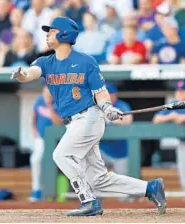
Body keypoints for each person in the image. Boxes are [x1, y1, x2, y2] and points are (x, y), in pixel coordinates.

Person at [10, 16, 166, 216]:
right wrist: (22, 74)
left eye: (52, 31)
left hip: (89, 118)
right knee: (98, 179)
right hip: (74, 123)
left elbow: (100, 91)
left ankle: (89, 201)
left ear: (65, 34)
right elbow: (31, 73)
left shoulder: (85, 61)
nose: (48, 34)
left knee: (60, 154)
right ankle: (151, 188)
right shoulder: (45, 62)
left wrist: (108, 107)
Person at [29, 85, 63, 202]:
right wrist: (33, 129)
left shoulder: (58, 102)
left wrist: (49, 106)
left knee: (56, 165)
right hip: (40, 139)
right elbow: (33, 116)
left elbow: (58, 122)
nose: (47, 94)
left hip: (55, 140)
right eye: (45, 91)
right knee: (36, 159)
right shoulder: (39, 99)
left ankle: (54, 193)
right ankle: (36, 190)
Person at [99, 83, 133, 176]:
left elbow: (128, 120)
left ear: (114, 94)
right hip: (103, 150)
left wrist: (111, 118)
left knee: (123, 180)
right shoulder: (97, 107)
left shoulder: (121, 105)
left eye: (109, 93)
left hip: (120, 152)